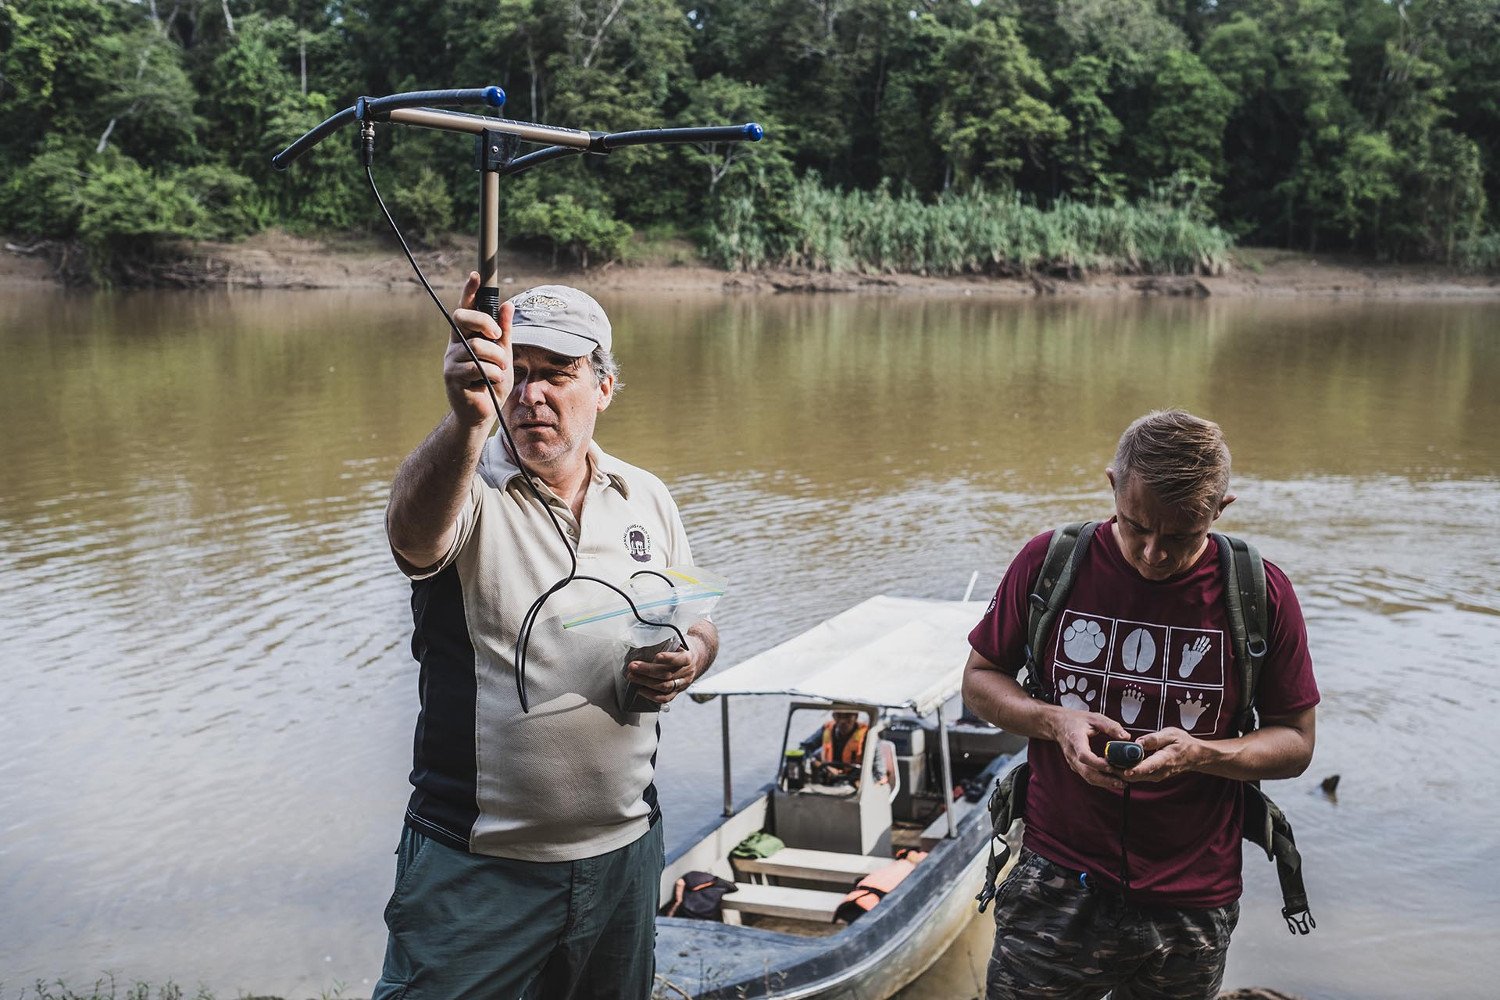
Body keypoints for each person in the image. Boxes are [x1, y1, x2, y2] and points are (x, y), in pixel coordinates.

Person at [374, 273, 719, 1000]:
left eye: (557, 374)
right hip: (479, 865)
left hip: (625, 854)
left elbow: (699, 620)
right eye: (516, 374)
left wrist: (690, 659)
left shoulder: (647, 496)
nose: (531, 395)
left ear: (604, 386)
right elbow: (411, 540)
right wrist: (466, 421)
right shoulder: (467, 484)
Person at [962, 410, 1318, 1000]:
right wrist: (1055, 720)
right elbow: (980, 680)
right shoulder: (1051, 563)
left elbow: (1296, 742)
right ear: (1111, 486)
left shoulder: (1260, 592)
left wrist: (1201, 753)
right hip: (1056, 880)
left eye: (1180, 536)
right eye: (1135, 526)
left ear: (1221, 509)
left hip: (1191, 901)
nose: (1153, 554)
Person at [803, 709, 891, 787]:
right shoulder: (826, 729)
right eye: (838, 715)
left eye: (848, 716)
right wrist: (817, 763)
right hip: (829, 783)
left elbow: (880, 774)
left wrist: (863, 785)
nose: (842, 721)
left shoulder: (869, 736)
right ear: (833, 716)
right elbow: (805, 748)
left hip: (855, 786)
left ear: (856, 716)